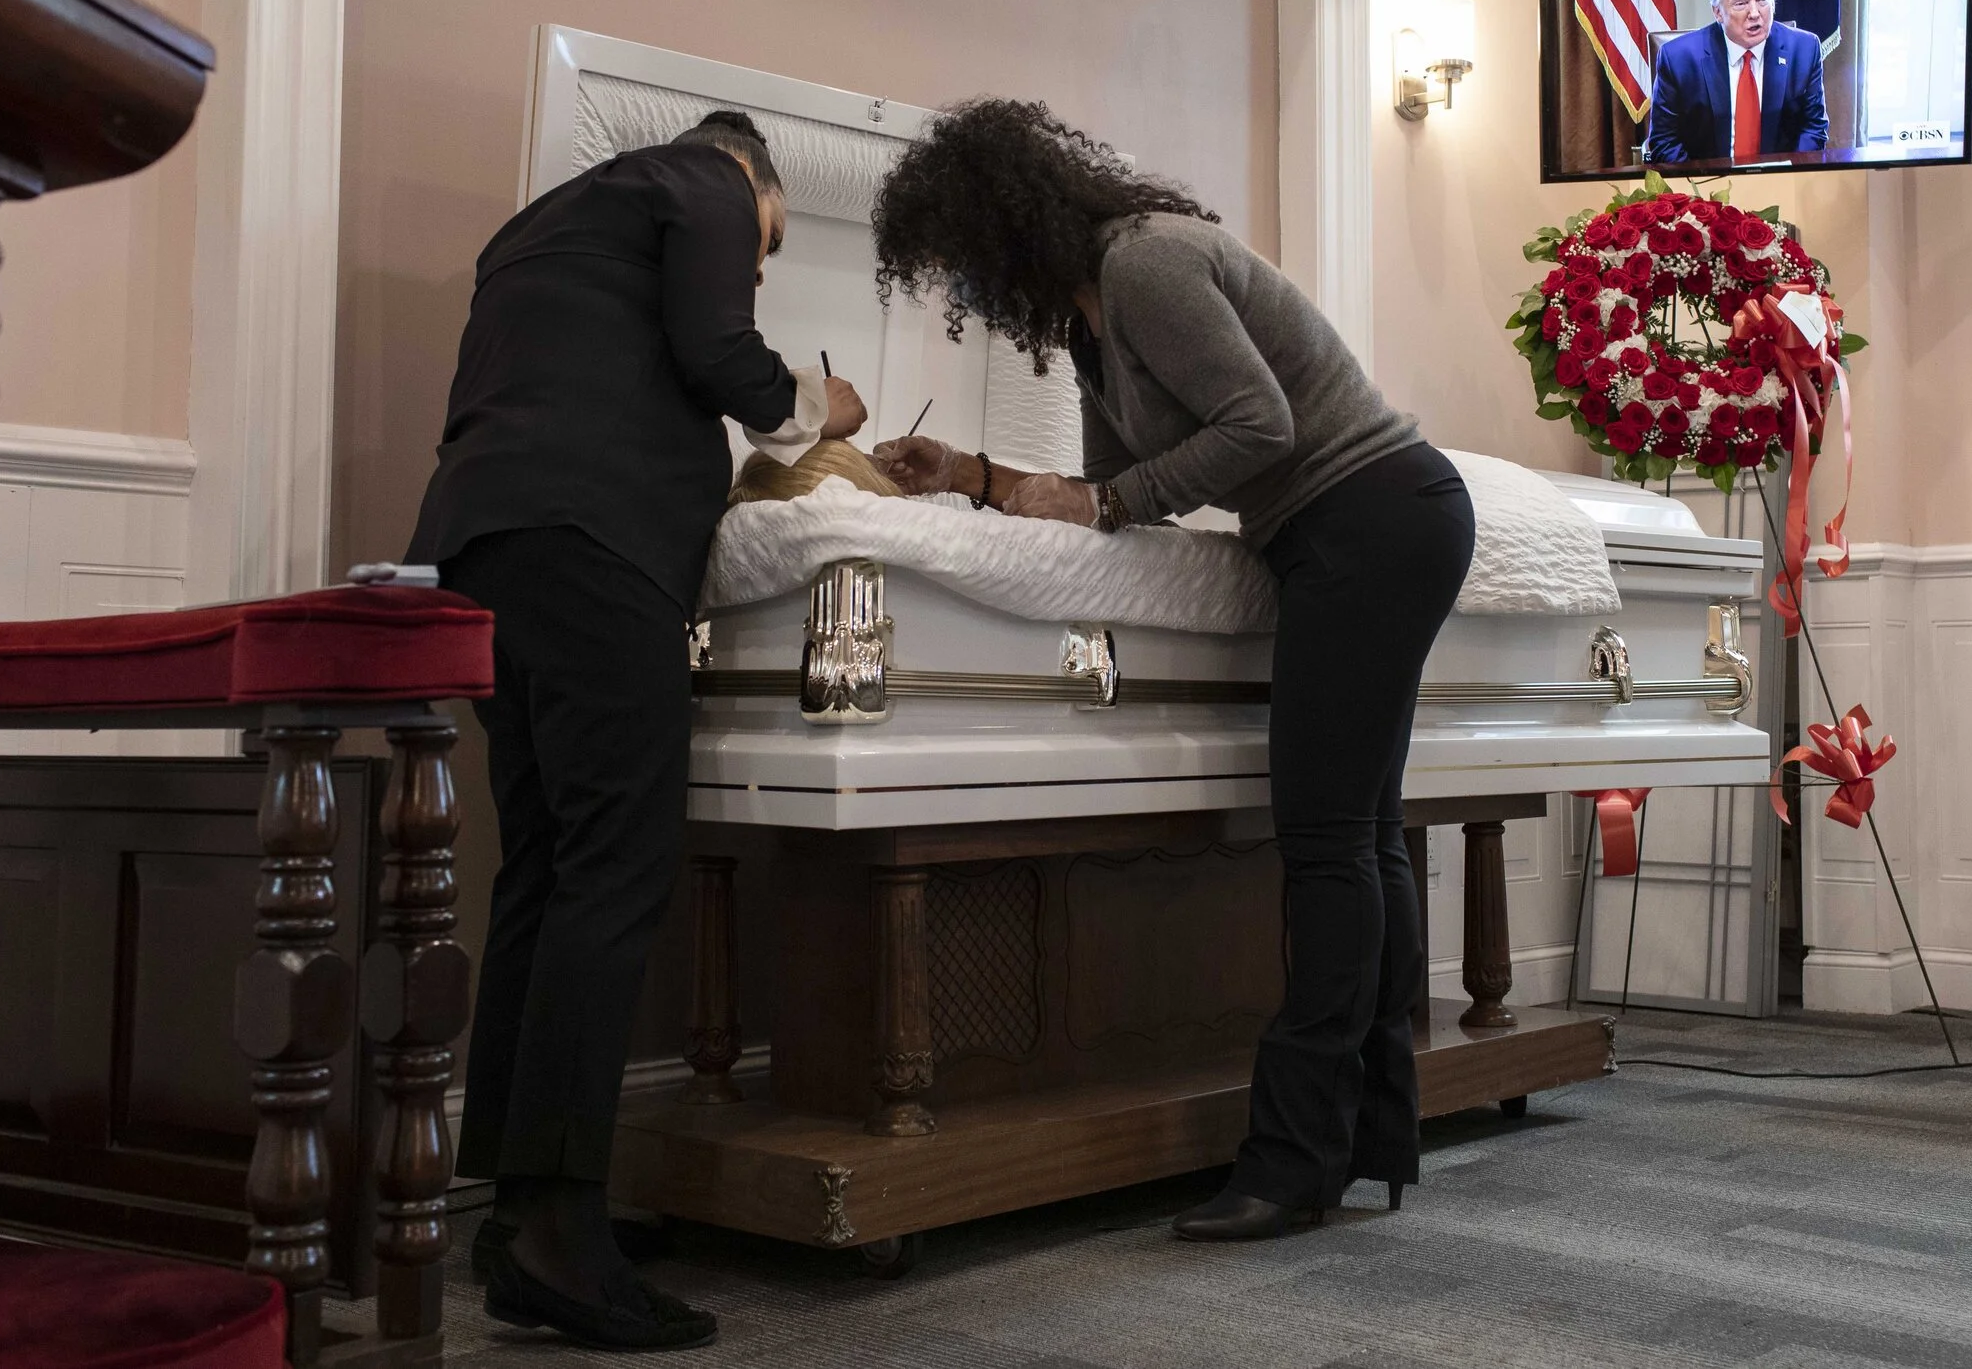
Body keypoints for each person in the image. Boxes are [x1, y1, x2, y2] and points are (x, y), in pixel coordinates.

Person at [867, 98, 1474, 1241]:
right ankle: (1369, 1135)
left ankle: (1294, 1160)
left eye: (960, 263)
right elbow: (1117, 492)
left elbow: (1261, 426)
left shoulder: (1145, 263)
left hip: (1371, 515)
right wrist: (975, 475)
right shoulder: (1087, 322)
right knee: (1363, 831)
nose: (962, 292)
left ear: (1004, 229)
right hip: (1351, 527)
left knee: (1327, 838)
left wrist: (1100, 498)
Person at [406, 111, 865, 1349]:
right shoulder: (705, 180)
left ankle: (515, 1207)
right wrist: (823, 408)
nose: (757, 260)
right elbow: (721, 350)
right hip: (596, 544)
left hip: (484, 544)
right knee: (616, 865)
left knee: (548, 867)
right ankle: (561, 1230)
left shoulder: (531, 234)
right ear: (757, 179)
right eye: (768, 245)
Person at [1642, 0, 1829, 166]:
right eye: (1740, 3)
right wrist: (1700, 189)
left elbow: (1814, 129)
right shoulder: (1678, 58)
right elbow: (1664, 141)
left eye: (1762, 0)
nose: (1755, 13)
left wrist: (1790, 178)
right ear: (1718, 12)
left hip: (1781, 183)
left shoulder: (1804, 49)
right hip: (1706, 186)